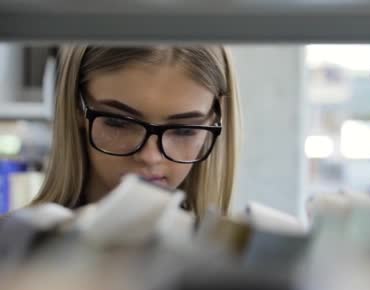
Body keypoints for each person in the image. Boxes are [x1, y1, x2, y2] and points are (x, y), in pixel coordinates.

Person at [31, 45, 241, 220]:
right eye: (118, 122)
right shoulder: (10, 250)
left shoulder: (233, 264)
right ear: (77, 105)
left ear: (215, 117)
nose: (150, 157)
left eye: (184, 130)